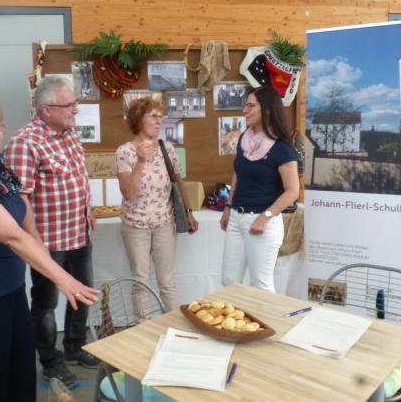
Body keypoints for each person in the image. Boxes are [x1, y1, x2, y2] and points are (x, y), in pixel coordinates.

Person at [0, 94, 99, 402]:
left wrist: (38, 242)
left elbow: (21, 206)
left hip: (8, 292)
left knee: (20, 379)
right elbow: (11, 236)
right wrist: (63, 278)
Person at [4, 76, 99, 388]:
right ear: (46, 110)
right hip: (49, 241)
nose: (76, 109)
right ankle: (50, 362)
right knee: (46, 304)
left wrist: (88, 209)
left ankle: (74, 347)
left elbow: (78, 178)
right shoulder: (24, 142)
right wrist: (35, 243)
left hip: (78, 233)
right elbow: (22, 198)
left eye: (75, 103)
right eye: (69, 105)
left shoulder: (69, 134)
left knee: (82, 293)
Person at [115, 97, 199, 320]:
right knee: (140, 280)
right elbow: (129, 193)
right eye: (153, 115)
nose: (159, 120)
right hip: (135, 225)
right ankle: (143, 327)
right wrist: (141, 163)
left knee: (167, 280)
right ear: (138, 119)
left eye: (160, 116)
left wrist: (189, 212)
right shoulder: (125, 152)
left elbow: (178, 182)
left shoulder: (168, 149)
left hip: (164, 223)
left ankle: (172, 325)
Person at [219, 86, 300, 292]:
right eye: (245, 105)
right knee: (229, 281)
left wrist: (265, 216)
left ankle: (265, 325)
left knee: (261, 286)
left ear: (268, 110)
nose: (245, 110)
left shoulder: (282, 148)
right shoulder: (245, 139)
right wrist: (228, 206)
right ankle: (234, 324)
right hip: (237, 217)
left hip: (263, 222)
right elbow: (239, 173)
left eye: (250, 106)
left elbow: (292, 192)